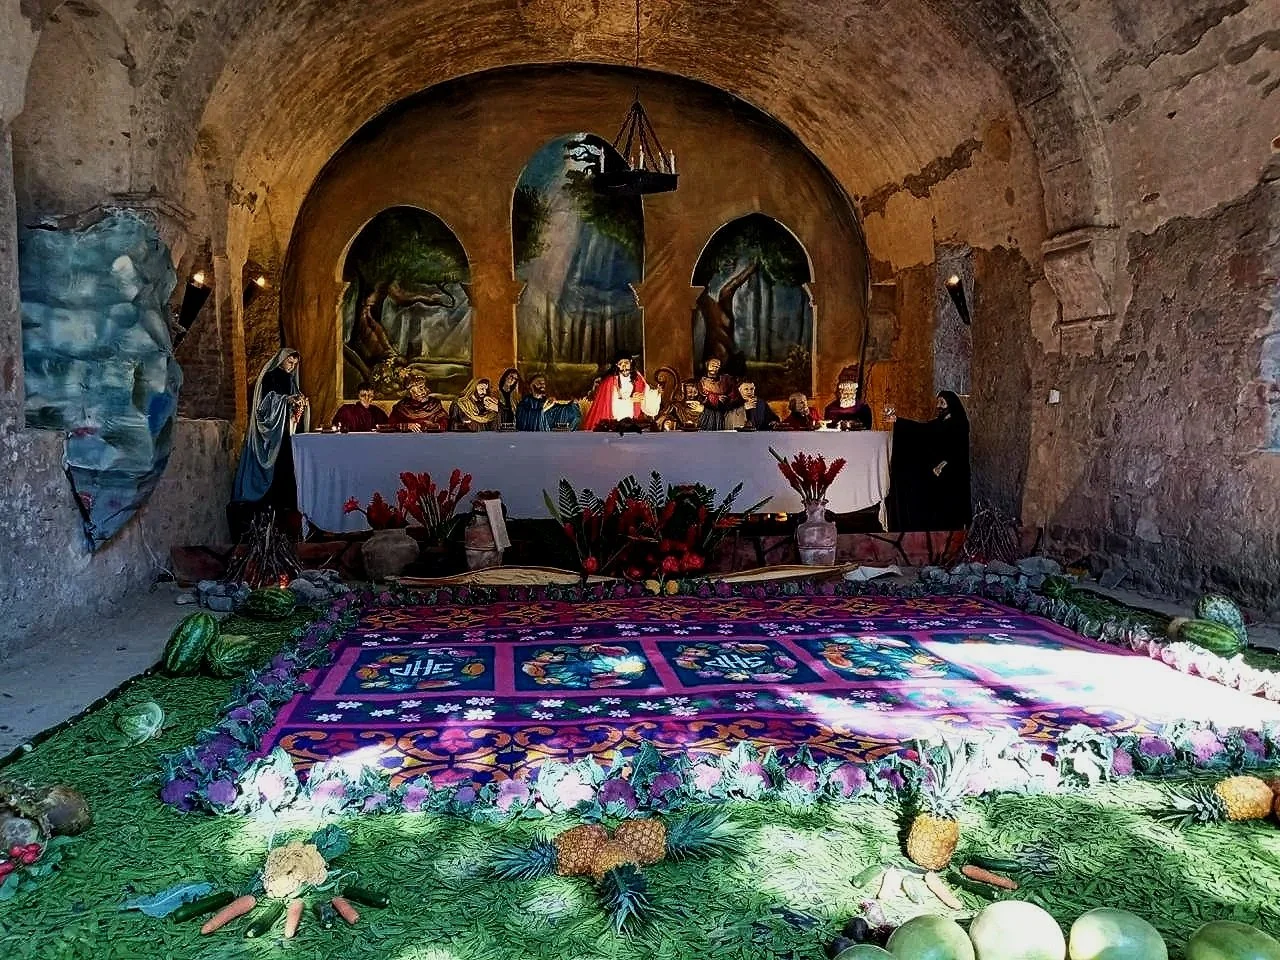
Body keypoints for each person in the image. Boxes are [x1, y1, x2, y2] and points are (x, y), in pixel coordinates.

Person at [232, 348, 310, 518]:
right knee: (277, 466)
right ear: (281, 359)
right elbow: (264, 405)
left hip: (285, 432)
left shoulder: (290, 379)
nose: (292, 366)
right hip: (273, 434)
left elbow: (293, 398)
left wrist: (300, 401)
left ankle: (285, 506)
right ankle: (269, 504)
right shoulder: (270, 377)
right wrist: (286, 400)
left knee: (286, 466)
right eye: (290, 362)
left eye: (295, 364)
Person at [887, 391, 972, 531]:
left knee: (952, 509)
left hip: (953, 475)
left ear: (951, 405)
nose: (939, 406)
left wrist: (944, 463)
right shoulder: (939, 423)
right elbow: (922, 430)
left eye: (942, 403)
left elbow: (958, 450)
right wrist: (898, 421)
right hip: (939, 474)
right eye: (938, 402)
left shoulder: (959, 423)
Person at [583, 352, 648, 430]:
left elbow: (647, 395)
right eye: (621, 364)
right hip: (615, 422)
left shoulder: (638, 378)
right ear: (617, 365)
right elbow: (612, 404)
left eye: (626, 363)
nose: (624, 367)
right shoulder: (610, 381)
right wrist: (631, 400)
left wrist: (657, 393)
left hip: (632, 421)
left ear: (631, 362)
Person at [516, 373, 582, 431]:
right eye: (539, 382)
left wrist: (572, 405)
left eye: (543, 383)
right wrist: (543, 410)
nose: (542, 385)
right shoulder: (525, 402)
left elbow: (560, 411)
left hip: (547, 438)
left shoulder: (547, 401)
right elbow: (524, 420)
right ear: (531, 385)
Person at [696, 357, 737, 431]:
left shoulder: (725, 379)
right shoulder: (701, 381)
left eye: (717, 366)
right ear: (707, 365)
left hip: (721, 412)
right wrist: (716, 398)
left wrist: (727, 398)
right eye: (713, 364)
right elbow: (701, 395)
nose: (715, 367)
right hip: (707, 413)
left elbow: (732, 394)